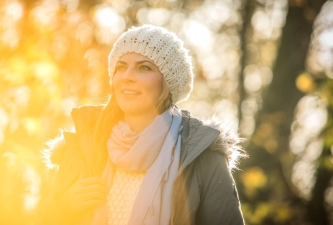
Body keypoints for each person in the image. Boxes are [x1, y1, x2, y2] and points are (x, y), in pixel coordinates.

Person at [38, 24, 246, 225]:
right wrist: (65, 205)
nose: (127, 77)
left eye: (144, 68)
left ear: (168, 82)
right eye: (121, 67)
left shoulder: (201, 156)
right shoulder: (84, 145)